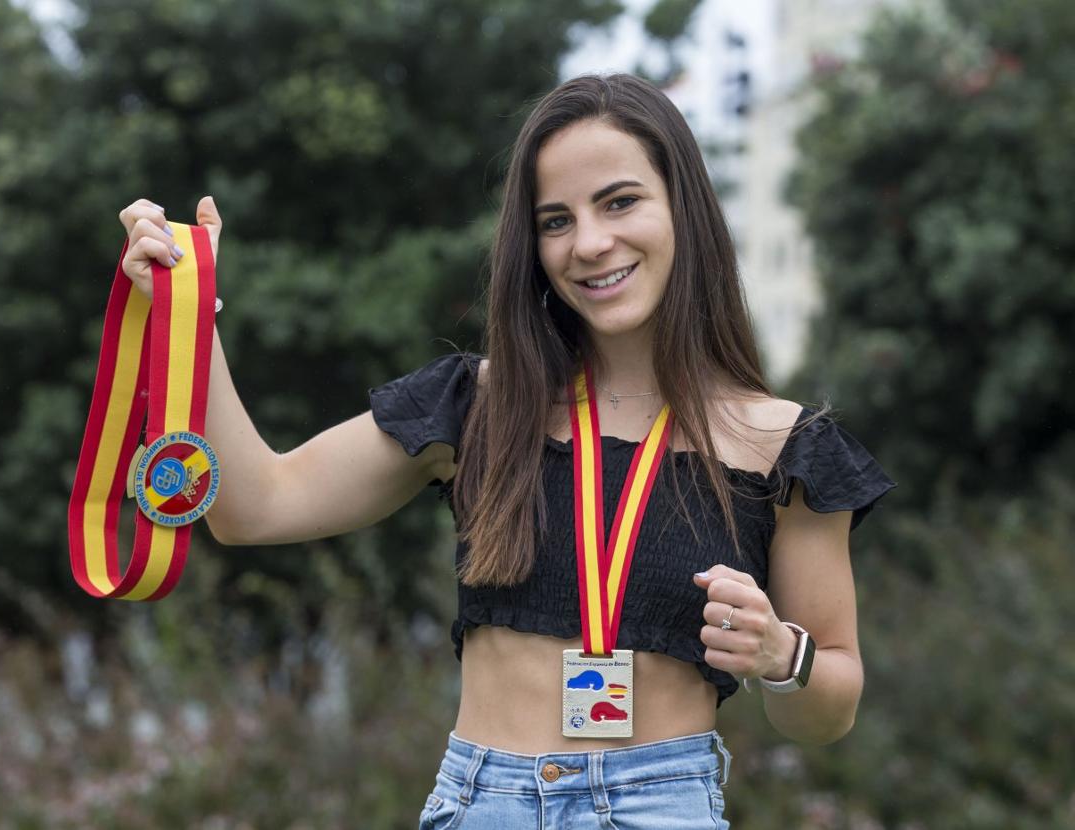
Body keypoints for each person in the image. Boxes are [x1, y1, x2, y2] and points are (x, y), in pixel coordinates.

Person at [114, 73, 895, 829]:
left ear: (684, 208)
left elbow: (831, 708)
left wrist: (779, 653)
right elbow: (255, 507)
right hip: (481, 802)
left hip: (664, 805)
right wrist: (185, 318)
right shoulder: (477, 405)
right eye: (556, 220)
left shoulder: (785, 446)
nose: (590, 242)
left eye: (619, 202)